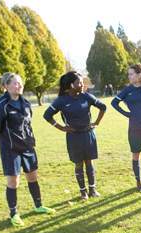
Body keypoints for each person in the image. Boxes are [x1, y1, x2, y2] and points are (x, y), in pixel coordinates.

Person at [0, 72, 55, 227]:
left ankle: (38, 206)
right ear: (5, 86)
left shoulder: (25, 103)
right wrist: (4, 143)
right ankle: (14, 213)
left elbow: (28, 125)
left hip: (27, 147)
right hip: (10, 150)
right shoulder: (0, 104)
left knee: (32, 177)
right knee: (14, 181)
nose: (19, 86)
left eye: (20, 83)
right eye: (15, 83)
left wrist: (30, 141)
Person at [43, 71, 107, 200]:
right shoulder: (61, 100)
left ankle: (93, 190)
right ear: (72, 85)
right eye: (79, 82)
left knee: (89, 163)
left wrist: (96, 123)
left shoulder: (86, 96)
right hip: (74, 137)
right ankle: (83, 192)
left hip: (88, 135)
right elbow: (47, 115)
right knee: (78, 164)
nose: (82, 84)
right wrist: (61, 127)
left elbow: (103, 107)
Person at [111, 64, 141, 191]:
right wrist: (127, 114)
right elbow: (114, 102)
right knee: (135, 155)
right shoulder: (128, 90)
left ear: (140, 75)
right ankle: (138, 182)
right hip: (135, 128)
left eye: (131, 74)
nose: (129, 76)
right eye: (129, 74)